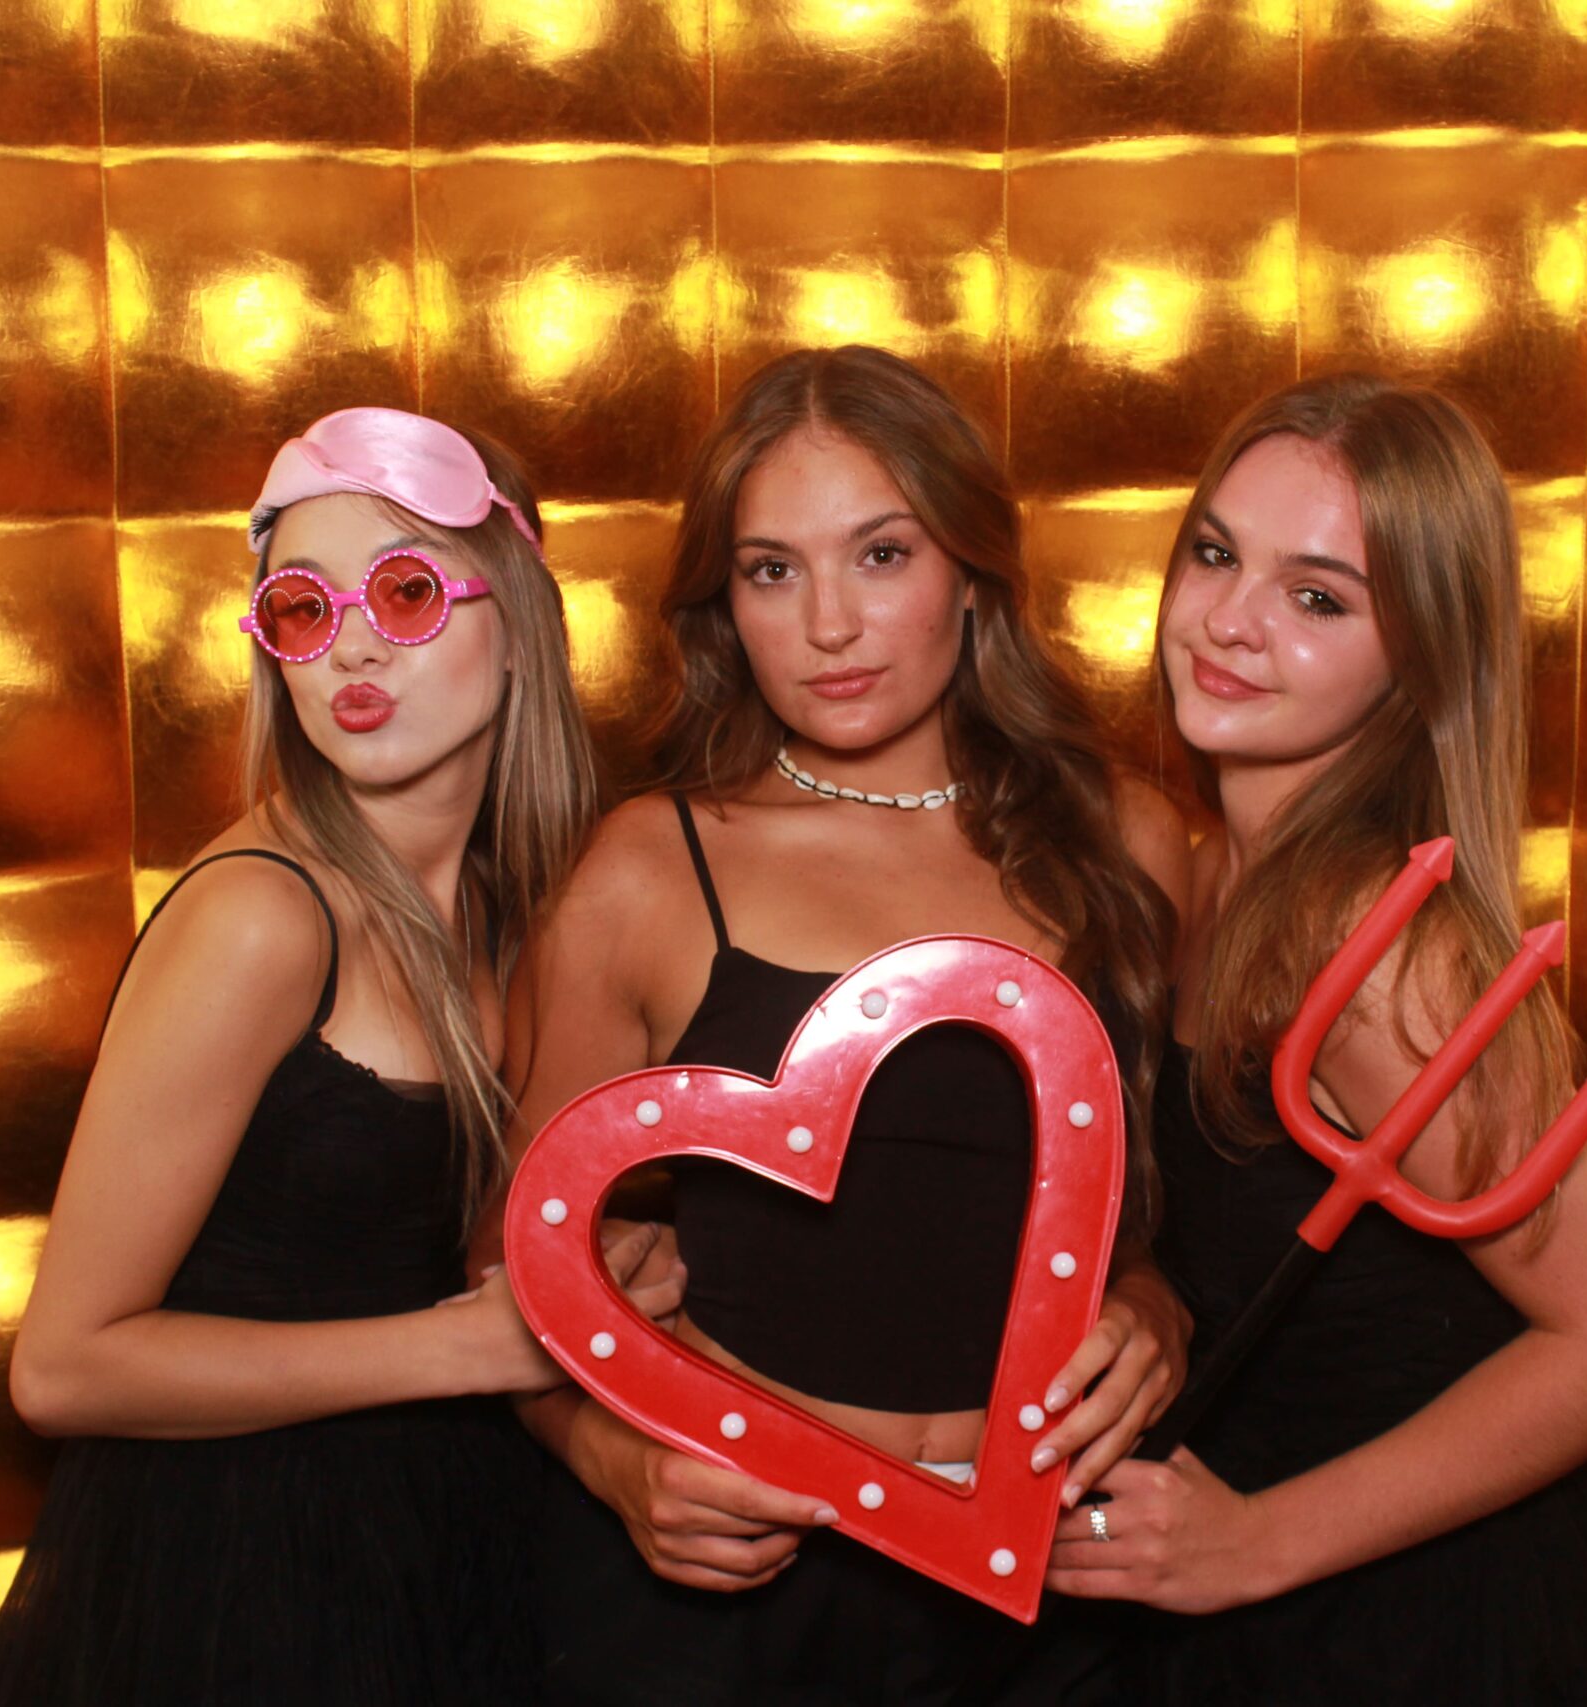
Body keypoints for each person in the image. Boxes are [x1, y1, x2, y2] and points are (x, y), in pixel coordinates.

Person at [0, 407, 681, 1705]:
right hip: (237, 1573)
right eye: (301, 608)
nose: (351, 644)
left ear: (519, 627)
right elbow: (60, 1368)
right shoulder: (261, 917)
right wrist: (469, 1350)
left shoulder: (517, 904)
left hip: (444, 1539)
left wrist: (600, 1260)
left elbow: (435, 1240)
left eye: (406, 593)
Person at [509, 346, 1193, 1706]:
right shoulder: (647, 868)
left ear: (972, 571)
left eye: (882, 555)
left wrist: (1158, 1311)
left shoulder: (1127, 839)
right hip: (740, 1586)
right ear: (724, 606)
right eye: (773, 571)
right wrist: (613, 1461)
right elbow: (512, 1258)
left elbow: (1140, 1205)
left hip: (1055, 1581)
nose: (829, 624)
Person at [1046, 374, 1587, 1703]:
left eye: (1318, 599)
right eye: (1216, 554)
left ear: (1419, 660)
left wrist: (1258, 1542)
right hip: (1233, 1586)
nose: (1230, 620)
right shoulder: (1203, 872)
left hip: (1420, 1620)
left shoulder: (1376, 952)